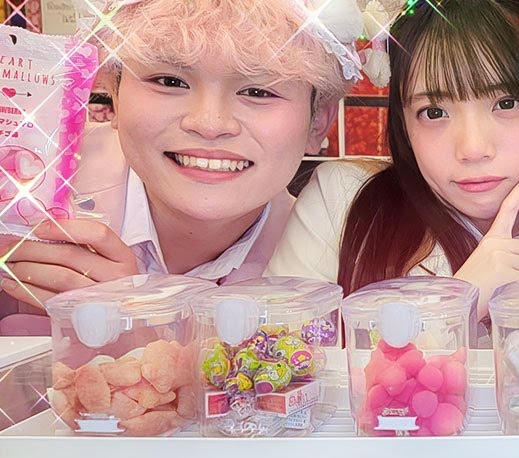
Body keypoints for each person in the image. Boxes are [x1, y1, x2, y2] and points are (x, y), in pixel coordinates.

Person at [0, 0, 358, 334]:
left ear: (318, 123)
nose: (209, 123)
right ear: (114, 93)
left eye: (258, 92)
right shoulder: (26, 184)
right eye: (169, 81)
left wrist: (137, 329)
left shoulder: (331, 259)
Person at [267, 0, 519, 323]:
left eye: (506, 103)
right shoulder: (341, 201)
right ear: (403, 120)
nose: (473, 149)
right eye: (434, 112)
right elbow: (274, 348)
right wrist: (455, 306)